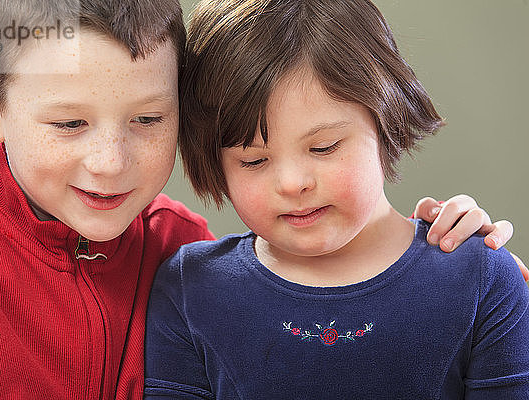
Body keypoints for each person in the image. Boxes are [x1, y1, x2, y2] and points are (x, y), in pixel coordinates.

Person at [0, 0, 523, 399]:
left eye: (147, 117)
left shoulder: (178, 245)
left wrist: (474, 266)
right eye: (68, 124)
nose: (111, 162)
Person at [144, 0, 529, 398]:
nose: (292, 184)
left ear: (386, 116)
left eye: (324, 147)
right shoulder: (189, 290)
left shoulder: (480, 279)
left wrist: (484, 264)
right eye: (254, 160)